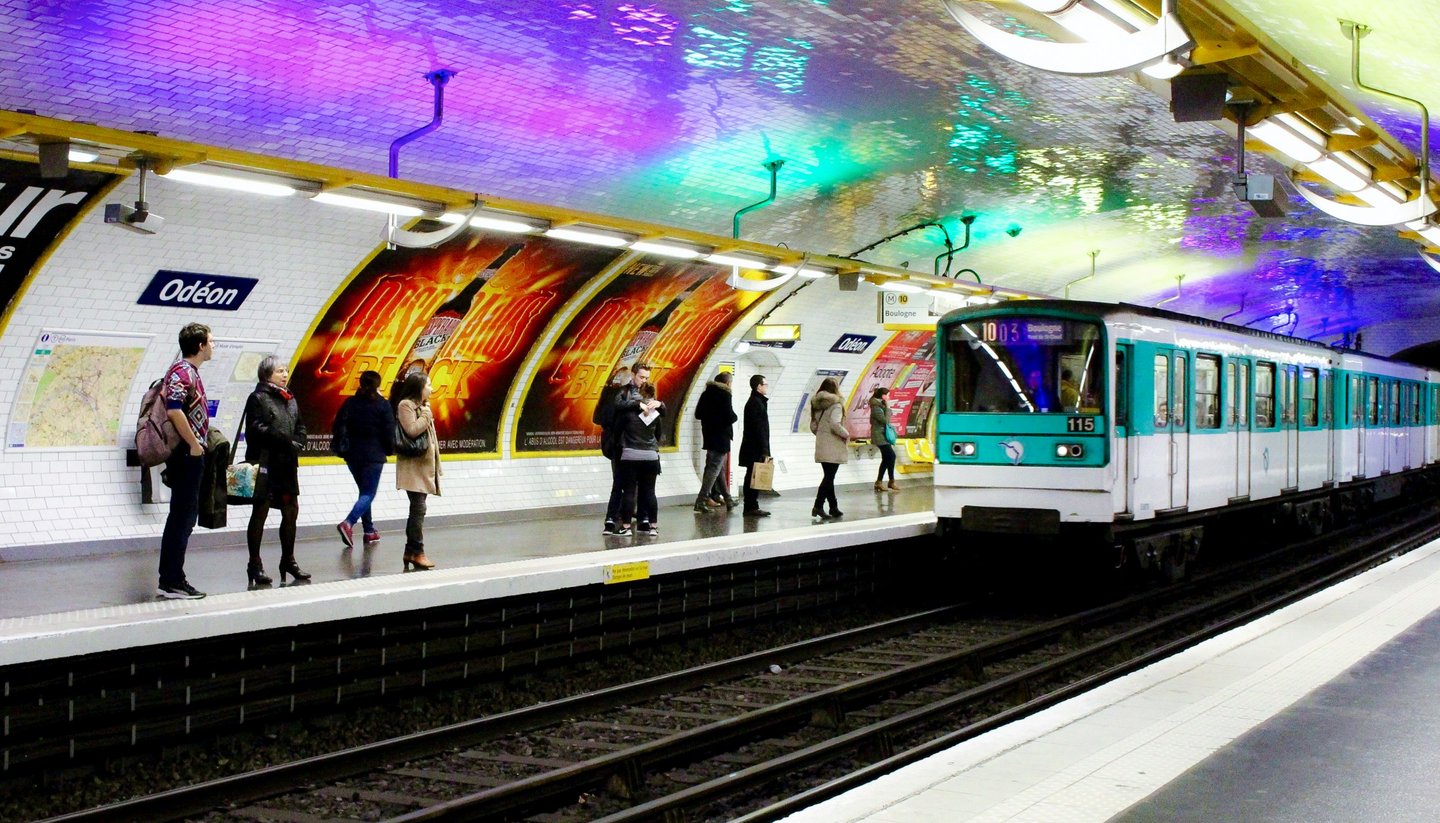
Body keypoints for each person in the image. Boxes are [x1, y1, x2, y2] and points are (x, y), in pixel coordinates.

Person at [242, 356, 311, 585]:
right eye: (280, 371)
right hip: (265, 463)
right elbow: (254, 429)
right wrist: (283, 439)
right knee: (260, 512)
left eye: (286, 370)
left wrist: (299, 441)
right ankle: (254, 564)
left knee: (291, 511)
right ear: (267, 375)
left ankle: (288, 561)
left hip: (287, 464)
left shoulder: (290, 398)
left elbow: (300, 425)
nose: (285, 374)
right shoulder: (257, 398)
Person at [157, 322, 213, 599]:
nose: (212, 346)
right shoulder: (182, 372)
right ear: (200, 345)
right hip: (185, 454)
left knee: (182, 517)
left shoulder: (190, 372)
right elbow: (174, 410)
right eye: (210, 342)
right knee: (182, 517)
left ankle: (171, 578)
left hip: (190, 452)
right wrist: (193, 444)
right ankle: (172, 580)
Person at [334, 369, 395, 549]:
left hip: (352, 455)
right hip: (373, 456)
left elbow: (337, 425)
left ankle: (369, 531)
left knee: (364, 493)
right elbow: (389, 432)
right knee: (369, 494)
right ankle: (348, 523)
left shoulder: (350, 403)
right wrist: (389, 450)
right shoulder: (383, 405)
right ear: (378, 384)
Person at [393, 371, 440, 570]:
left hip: (423, 466)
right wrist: (427, 415)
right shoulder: (406, 405)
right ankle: (417, 552)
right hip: (413, 467)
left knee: (418, 509)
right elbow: (412, 430)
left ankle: (410, 551)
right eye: (428, 385)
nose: (431, 389)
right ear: (418, 387)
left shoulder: (422, 406)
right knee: (418, 509)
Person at [603, 364, 650, 535]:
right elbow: (618, 407)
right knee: (619, 483)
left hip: (636, 445)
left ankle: (628, 515)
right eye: (641, 377)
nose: (643, 381)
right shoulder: (621, 392)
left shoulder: (646, 394)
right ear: (633, 374)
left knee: (636, 484)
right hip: (621, 445)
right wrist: (639, 405)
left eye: (646, 378)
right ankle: (613, 518)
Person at [616, 381, 665, 536]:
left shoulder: (629, 413)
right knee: (650, 492)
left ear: (639, 394)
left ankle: (626, 527)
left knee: (629, 491)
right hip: (650, 457)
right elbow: (658, 436)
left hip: (630, 455)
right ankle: (653, 527)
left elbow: (617, 431)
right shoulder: (656, 415)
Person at [693, 372, 738, 513]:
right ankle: (701, 500)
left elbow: (698, 414)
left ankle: (728, 499)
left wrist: (711, 418)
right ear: (728, 383)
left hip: (709, 435)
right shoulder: (725, 394)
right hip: (721, 436)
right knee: (713, 469)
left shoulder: (706, 393)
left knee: (718, 468)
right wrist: (734, 417)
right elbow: (729, 415)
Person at [809, 377, 850, 519]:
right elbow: (835, 423)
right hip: (833, 445)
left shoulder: (816, 404)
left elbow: (813, 426)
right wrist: (846, 434)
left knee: (829, 477)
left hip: (822, 444)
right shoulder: (836, 405)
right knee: (829, 477)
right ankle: (818, 506)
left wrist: (821, 435)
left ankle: (833, 507)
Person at [870, 386, 898, 492]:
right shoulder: (875, 407)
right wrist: (888, 407)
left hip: (884, 435)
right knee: (891, 456)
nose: (889, 397)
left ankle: (882, 482)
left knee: (887, 458)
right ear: (883, 396)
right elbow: (885, 420)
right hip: (879, 435)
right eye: (888, 395)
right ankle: (888, 481)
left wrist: (886, 407)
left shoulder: (880, 405)